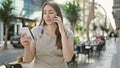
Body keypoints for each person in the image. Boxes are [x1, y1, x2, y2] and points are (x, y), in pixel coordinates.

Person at [20, 1, 74, 68]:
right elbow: (28, 60)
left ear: (58, 15)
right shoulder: (36, 31)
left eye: (51, 12)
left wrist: (62, 33)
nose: (47, 16)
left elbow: (68, 58)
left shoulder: (68, 33)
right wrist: (27, 47)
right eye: (45, 13)